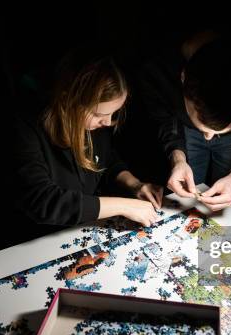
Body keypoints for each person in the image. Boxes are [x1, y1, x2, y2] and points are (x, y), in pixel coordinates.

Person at [137, 31, 231, 211]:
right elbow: (163, 117)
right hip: (183, 129)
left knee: (225, 204)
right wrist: (178, 158)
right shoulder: (157, 65)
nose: (209, 138)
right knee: (185, 200)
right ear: (183, 77)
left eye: (221, 130)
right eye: (203, 127)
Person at [13, 50, 164, 232]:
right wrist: (124, 206)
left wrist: (134, 184)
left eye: (112, 114)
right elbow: (42, 201)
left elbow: (106, 160)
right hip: (40, 236)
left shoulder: (93, 126)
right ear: (67, 102)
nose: (107, 122)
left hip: (84, 227)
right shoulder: (24, 129)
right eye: (99, 115)